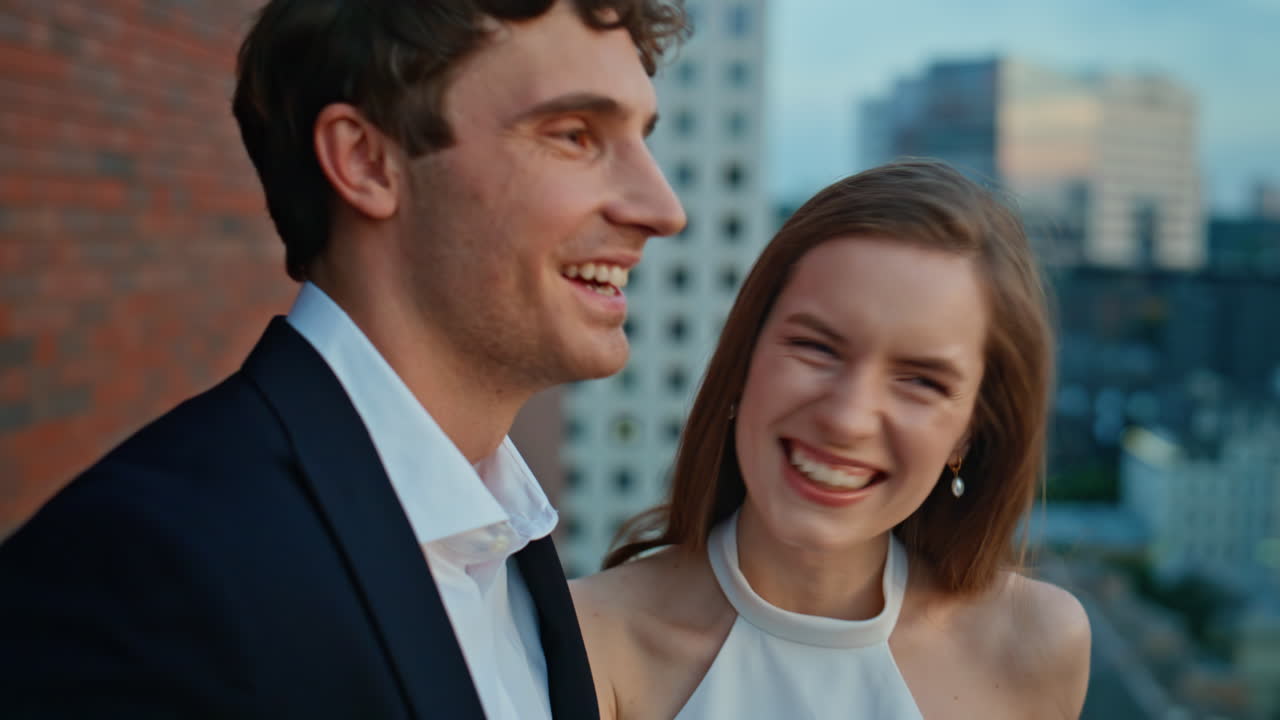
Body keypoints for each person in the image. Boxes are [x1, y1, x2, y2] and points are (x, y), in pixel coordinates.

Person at [0, 1, 687, 717]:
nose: (663, 209)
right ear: (366, 161)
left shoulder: (510, 543)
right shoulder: (146, 574)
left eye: (641, 138)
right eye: (575, 135)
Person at [571, 160, 1092, 719]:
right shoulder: (592, 636)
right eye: (817, 348)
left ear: (970, 432)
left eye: (922, 381)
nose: (848, 419)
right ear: (744, 360)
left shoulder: (1036, 645)